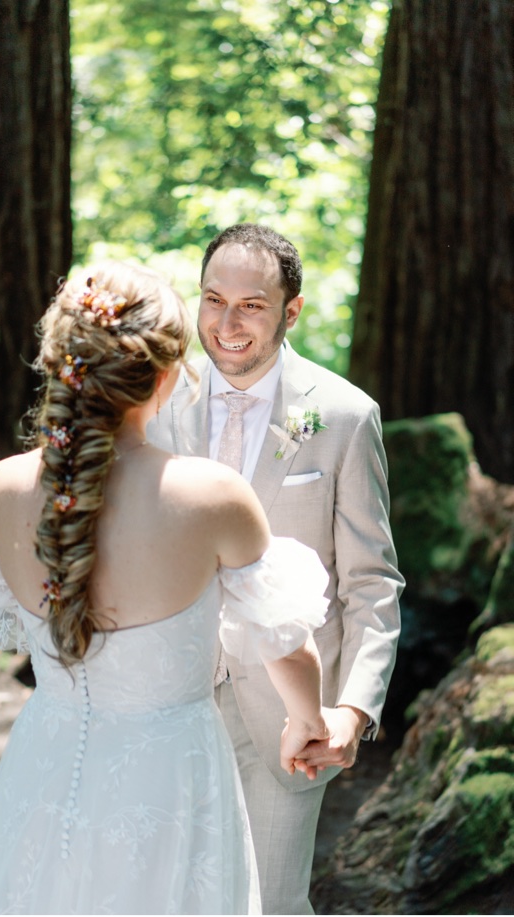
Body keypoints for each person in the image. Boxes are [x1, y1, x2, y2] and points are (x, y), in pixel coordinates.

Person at [0, 263, 331, 914]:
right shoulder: (209, 496)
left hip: (42, 765)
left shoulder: (2, 488)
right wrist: (309, 719)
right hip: (171, 784)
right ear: (167, 373)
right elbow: (284, 642)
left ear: (61, 364)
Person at [147, 223, 403, 914]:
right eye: (213, 299)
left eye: (251, 305)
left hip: (289, 721)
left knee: (273, 902)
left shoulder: (346, 417)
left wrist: (350, 710)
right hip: (167, 703)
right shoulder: (155, 404)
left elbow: (372, 585)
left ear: (291, 311)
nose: (227, 323)